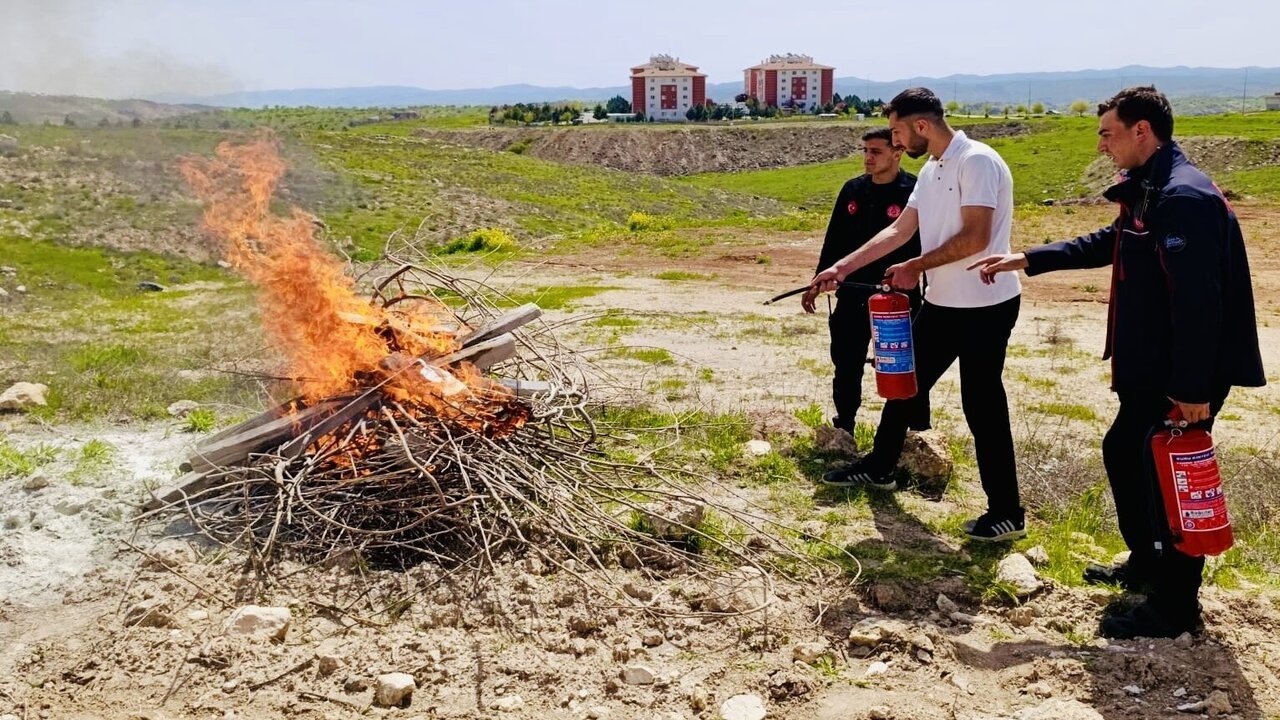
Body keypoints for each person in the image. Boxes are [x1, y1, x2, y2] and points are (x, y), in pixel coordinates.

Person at [969, 86, 1265, 638]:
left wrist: (1193, 389)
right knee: (1126, 451)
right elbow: (1113, 240)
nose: (1102, 144)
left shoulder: (1184, 198)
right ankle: (1148, 562)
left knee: (1166, 475)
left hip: (1180, 373)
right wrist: (1030, 259)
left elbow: (1201, 305)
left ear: (1141, 131)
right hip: (1153, 366)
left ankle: (1174, 607)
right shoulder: (1151, 191)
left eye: (1107, 133)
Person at [805, 87, 1025, 542]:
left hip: (986, 305)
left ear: (921, 125)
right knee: (904, 385)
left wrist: (916, 266)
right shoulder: (931, 169)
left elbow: (977, 238)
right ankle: (881, 468)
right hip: (945, 304)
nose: (896, 140)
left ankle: (1006, 512)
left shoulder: (976, 161)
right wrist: (842, 267)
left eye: (898, 131)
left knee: (982, 405)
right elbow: (901, 229)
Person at [805, 127, 929, 435]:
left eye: (876, 152)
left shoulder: (914, 193)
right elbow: (834, 242)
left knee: (905, 366)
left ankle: (916, 431)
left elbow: (927, 244)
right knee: (846, 363)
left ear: (897, 153)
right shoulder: (853, 191)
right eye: (865, 151)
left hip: (896, 297)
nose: (868, 158)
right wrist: (819, 280)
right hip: (852, 294)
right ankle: (844, 425)